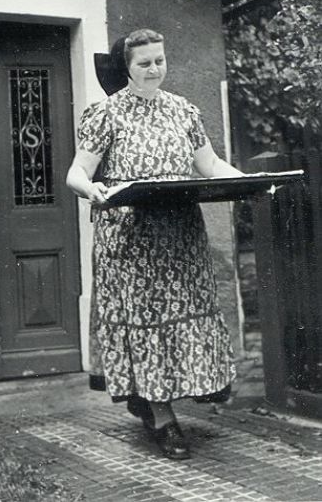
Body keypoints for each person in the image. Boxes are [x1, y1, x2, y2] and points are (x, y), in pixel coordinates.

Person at [66, 28, 242, 460]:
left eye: (159, 60)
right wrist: (91, 191)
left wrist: (255, 184)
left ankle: (158, 398)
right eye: (144, 63)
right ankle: (163, 420)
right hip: (131, 242)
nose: (154, 69)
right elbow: (76, 173)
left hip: (179, 237)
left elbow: (211, 165)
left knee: (183, 317)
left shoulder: (183, 110)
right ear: (126, 67)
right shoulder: (106, 114)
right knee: (147, 327)